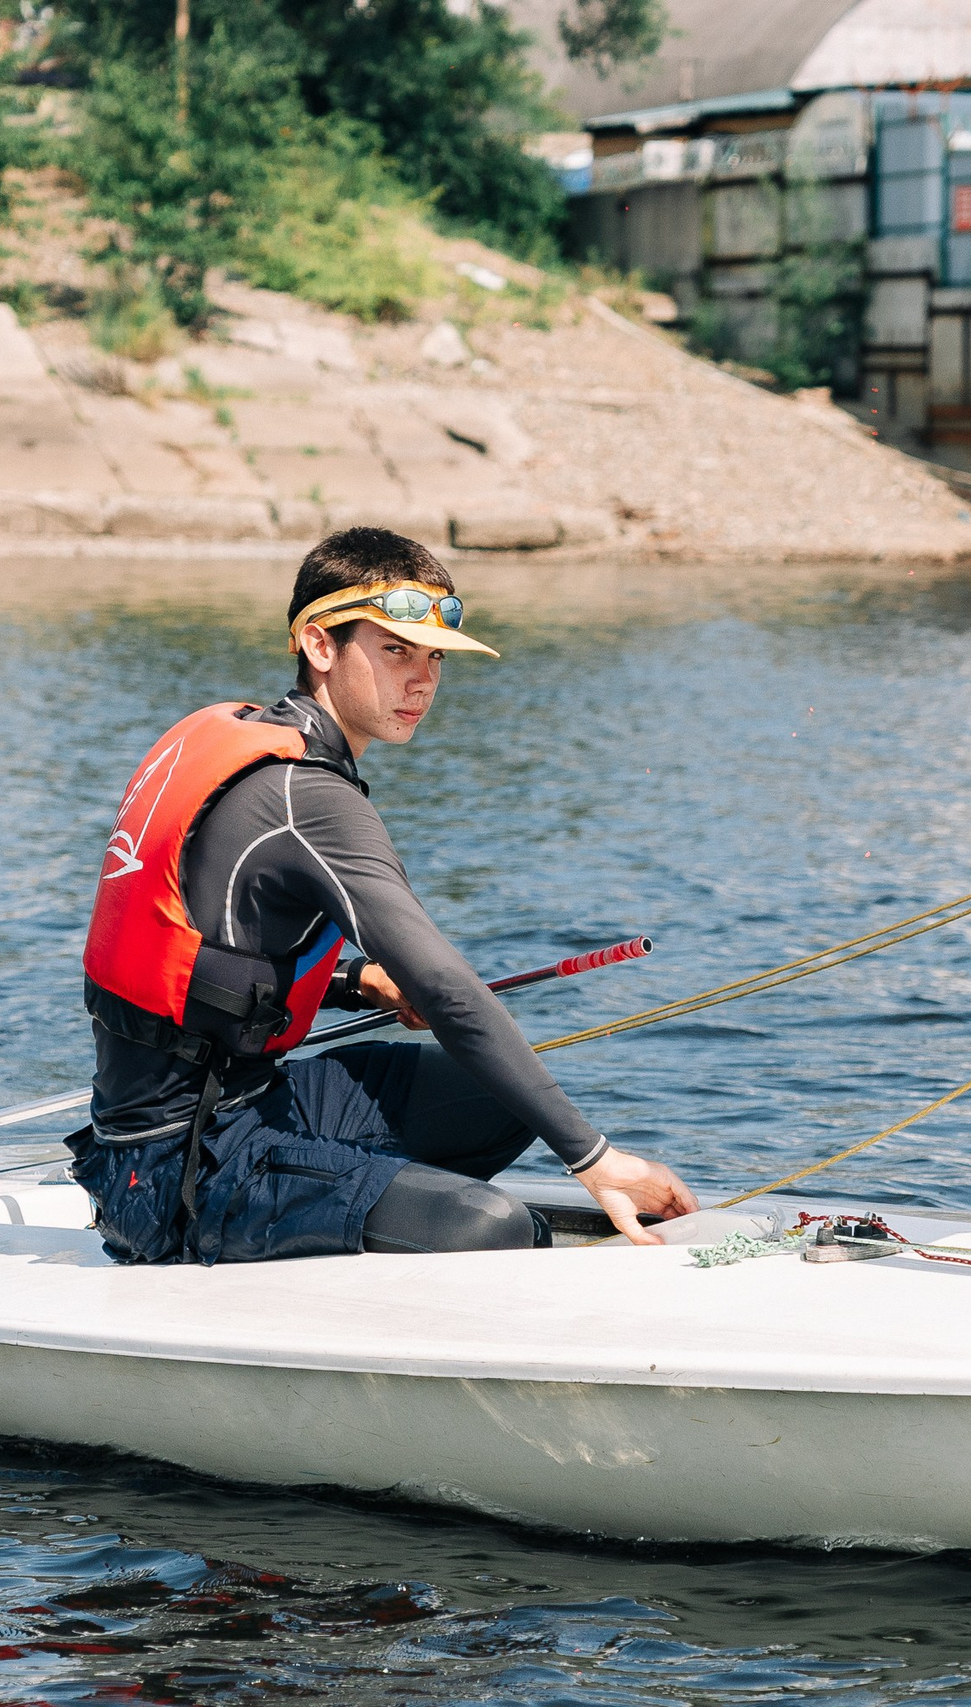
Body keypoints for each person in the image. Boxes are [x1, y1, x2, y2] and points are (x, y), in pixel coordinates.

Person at [66, 527, 698, 1265]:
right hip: (174, 1176)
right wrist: (595, 1160)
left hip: (249, 1103)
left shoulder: (250, 742)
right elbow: (450, 990)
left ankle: (356, 1209)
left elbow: (218, 949)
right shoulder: (309, 798)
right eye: (395, 649)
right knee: (497, 1229)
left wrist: (358, 978)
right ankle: (362, 1223)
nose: (423, 679)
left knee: (504, 1097)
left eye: (434, 657)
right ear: (319, 644)